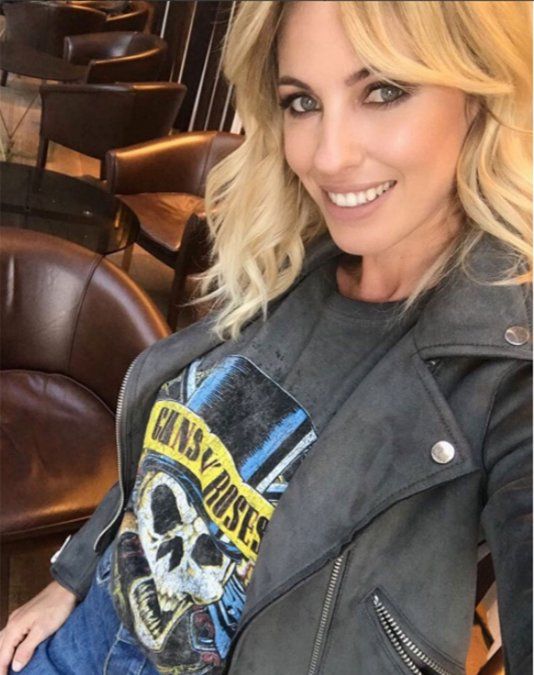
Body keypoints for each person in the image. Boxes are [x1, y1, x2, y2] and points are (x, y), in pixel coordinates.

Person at [0, 1, 531, 673]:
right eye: (302, 102)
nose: (329, 157)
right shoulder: (288, 262)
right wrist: (73, 574)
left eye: (383, 91)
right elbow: (172, 454)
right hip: (85, 633)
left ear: (480, 96)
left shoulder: (508, 368)